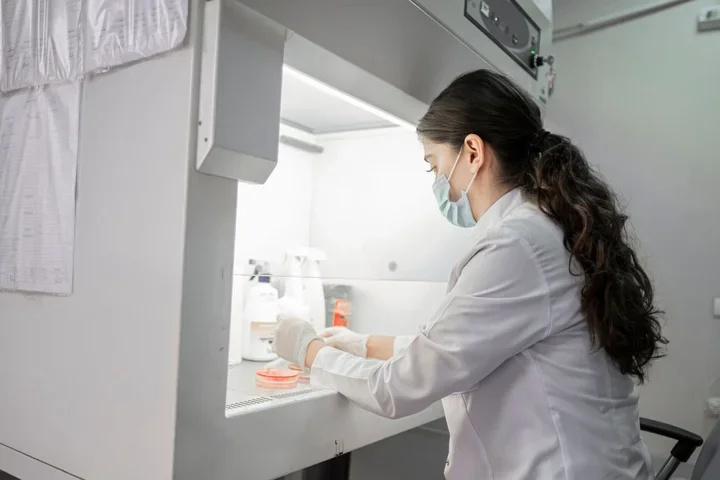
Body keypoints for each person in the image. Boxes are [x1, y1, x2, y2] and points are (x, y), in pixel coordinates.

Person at [274, 69, 667, 479]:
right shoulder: (549, 227)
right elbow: (469, 344)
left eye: (434, 165)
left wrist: (308, 351)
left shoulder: (518, 245)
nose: (437, 182)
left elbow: (399, 389)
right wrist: (366, 344)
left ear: (473, 152)